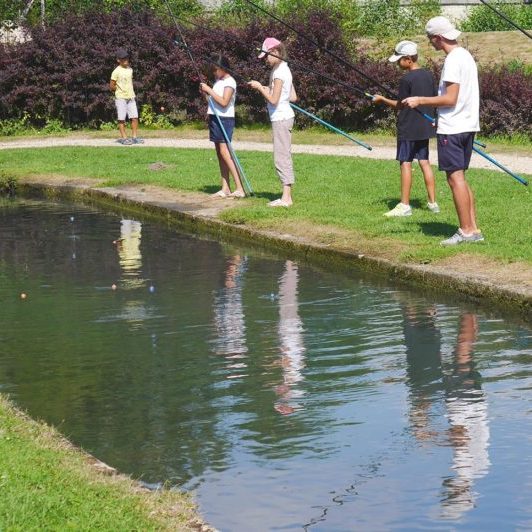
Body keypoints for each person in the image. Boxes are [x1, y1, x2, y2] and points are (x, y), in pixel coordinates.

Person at [403, 17, 483, 246]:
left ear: (438, 37)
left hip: (453, 128)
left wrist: (420, 100)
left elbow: (450, 98)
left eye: (431, 40)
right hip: (467, 125)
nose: (431, 44)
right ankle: (474, 229)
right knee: (460, 178)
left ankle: (466, 231)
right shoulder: (466, 56)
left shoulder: (452, 60)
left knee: (454, 178)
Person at [373, 40, 439, 217]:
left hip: (408, 128)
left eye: (399, 60)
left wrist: (382, 99)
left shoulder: (406, 79)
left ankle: (404, 205)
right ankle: (433, 203)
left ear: (408, 59)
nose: (397, 64)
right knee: (424, 162)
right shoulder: (429, 75)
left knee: (406, 163)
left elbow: (399, 105)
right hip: (425, 127)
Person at [248, 38, 298, 207]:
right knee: (282, 155)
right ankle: (285, 196)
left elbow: (274, 100)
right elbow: (292, 97)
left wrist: (260, 87)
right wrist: (269, 89)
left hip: (281, 118)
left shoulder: (278, 73)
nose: (266, 60)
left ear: (276, 52)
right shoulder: (284, 69)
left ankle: (286, 198)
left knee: (281, 157)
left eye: (267, 56)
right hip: (284, 116)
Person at [200, 54, 246, 198]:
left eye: (215, 70)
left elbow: (224, 102)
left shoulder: (230, 82)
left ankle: (240, 188)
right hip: (215, 118)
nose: (214, 73)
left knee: (225, 153)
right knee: (220, 154)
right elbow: (213, 101)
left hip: (225, 120)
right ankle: (225, 188)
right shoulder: (218, 81)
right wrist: (205, 93)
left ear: (222, 68)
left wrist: (209, 90)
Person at [110, 48, 143, 146]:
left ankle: (134, 137)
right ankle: (124, 138)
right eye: (123, 58)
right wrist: (120, 91)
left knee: (135, 117)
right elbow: (112, 86)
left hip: (131, 97)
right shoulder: (116, 71)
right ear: (118, 60)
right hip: (121, 98)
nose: (126, 60)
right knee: (121, 118)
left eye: (127, 58)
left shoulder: (130, 70)